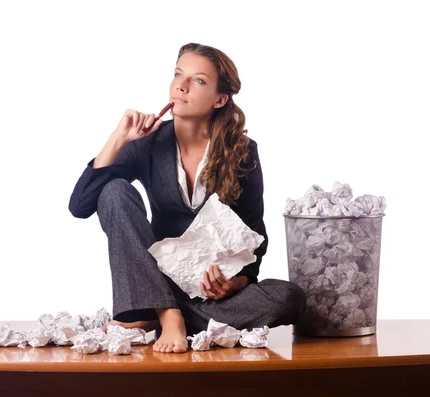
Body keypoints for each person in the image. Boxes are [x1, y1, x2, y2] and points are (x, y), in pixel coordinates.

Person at [69, 42, 306, 353]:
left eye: (198, 80)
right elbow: (81, 205)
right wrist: (119, 138)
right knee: (113, 191)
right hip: (154, 275)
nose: (180, 86)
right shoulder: (147, 144)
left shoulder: (242, 151)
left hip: (205, 293)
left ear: (220, 99)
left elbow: (255, 237)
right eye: (178, 74)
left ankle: (158, 314)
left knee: (290, 298)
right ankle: (167, 314)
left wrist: (232, 284)